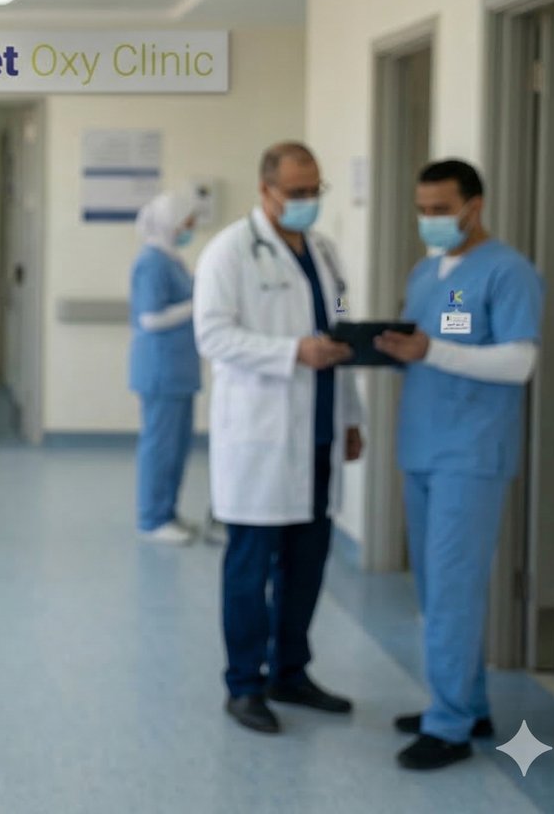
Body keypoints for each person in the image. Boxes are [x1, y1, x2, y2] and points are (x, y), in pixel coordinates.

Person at [374, 159, 543, 771]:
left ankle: (447, 727)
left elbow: (518, 362)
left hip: (471, 454)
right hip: (422, 446)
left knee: (453, 589)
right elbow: (433, 346)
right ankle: (467, 706)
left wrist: (432, 350)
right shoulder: (427, 272)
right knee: (434, 587)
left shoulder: (509, 271)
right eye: (423, 209)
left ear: (475, 205)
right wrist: (384, 348)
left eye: (442, 209)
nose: (430, 220)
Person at [193, 142, 362, 735]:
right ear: (265, 191)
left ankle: (291, 671)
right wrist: (292, 352)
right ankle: (244, 684)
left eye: (316, 190)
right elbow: (212, 336)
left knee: (307, 564)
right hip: (261, 437)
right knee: (250, 567)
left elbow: (341, 323)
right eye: (297, 192)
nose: (308, 201)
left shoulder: (326, 251)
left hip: (318, 432)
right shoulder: (230, 252)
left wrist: (353, 416)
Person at [128, 191, 201, 545]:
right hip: (160, 369)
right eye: (187, 222)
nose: (191, 228)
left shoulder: (173, 260)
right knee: (160, 447)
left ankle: (168, 512)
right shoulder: (152, 262)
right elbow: (150, 317)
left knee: (177, 446)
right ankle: (152, 518)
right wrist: (197, 303)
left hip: (180, 370)